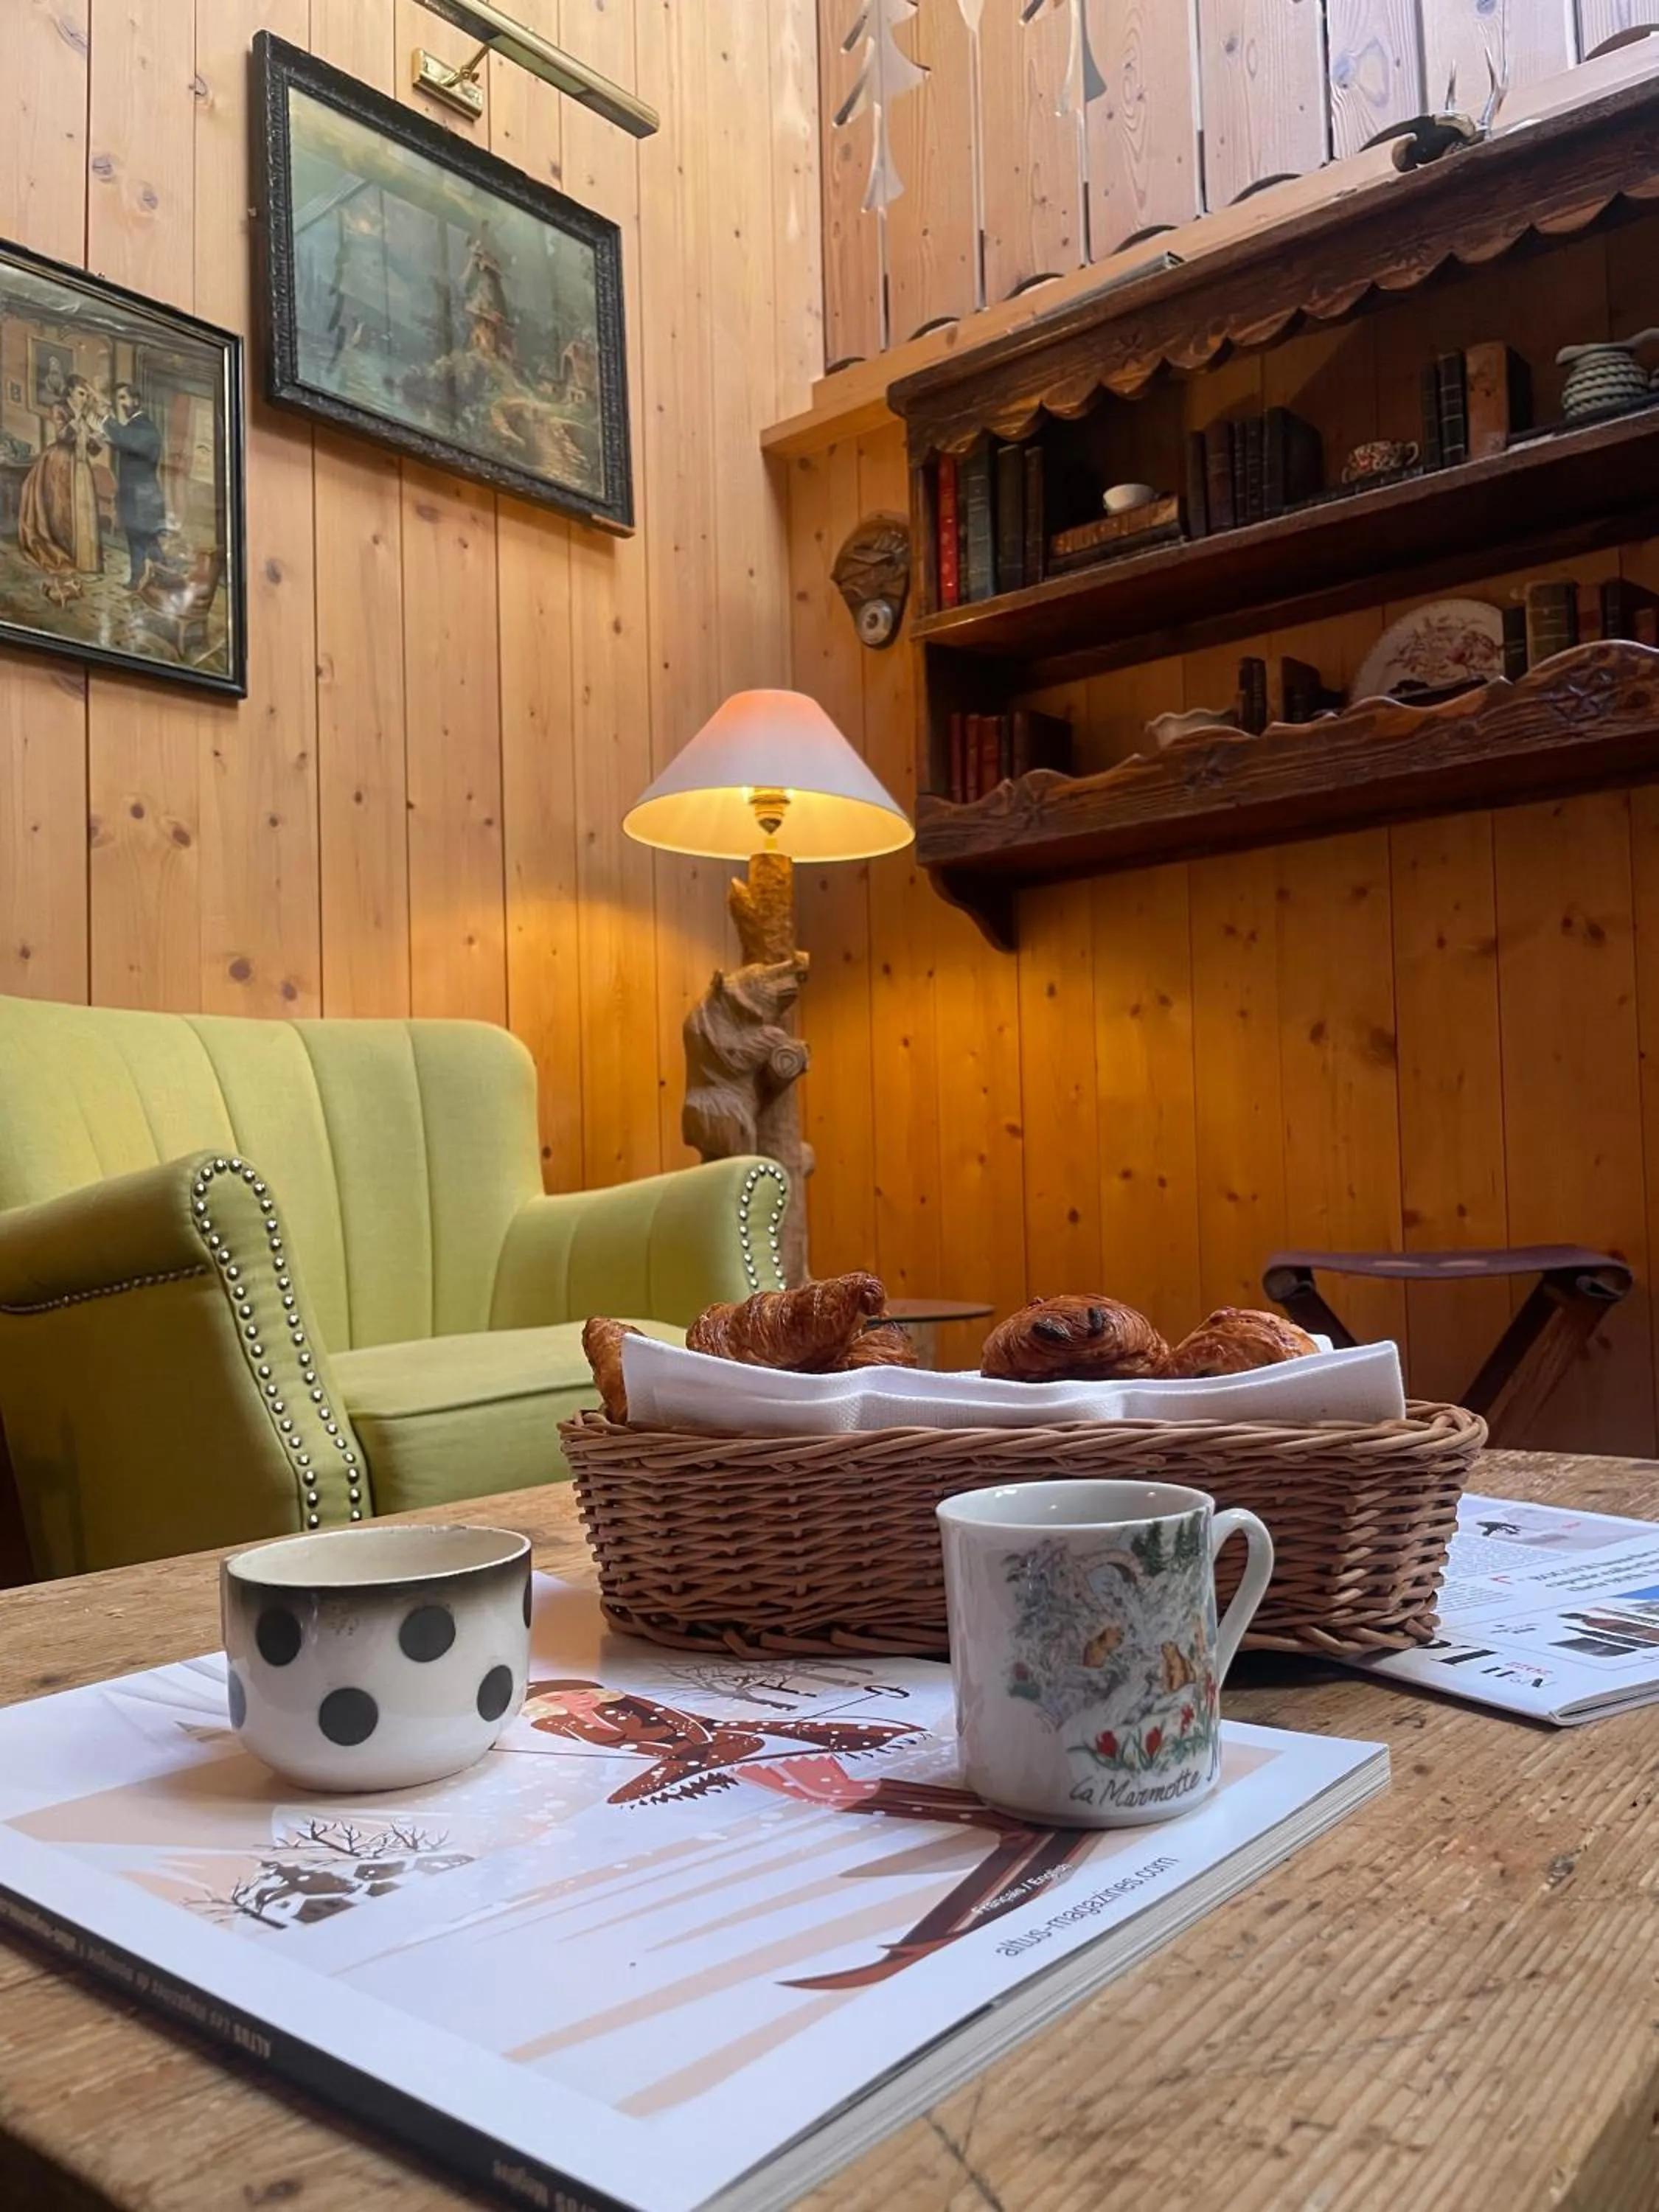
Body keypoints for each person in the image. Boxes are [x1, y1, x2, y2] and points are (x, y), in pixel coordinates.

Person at [101, 380, 166, 589]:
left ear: (136, 400)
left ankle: (164, 582)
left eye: (123, 398)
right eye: (117, 399)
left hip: (144, 498)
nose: (120, 404)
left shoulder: (145, 427)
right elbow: (130, 446)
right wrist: (111, 440)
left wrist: (107, 420)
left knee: (148, 542)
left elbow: (129, 441)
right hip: (135, 496)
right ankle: (137, 580)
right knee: (135, 539)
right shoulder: (134, 428)